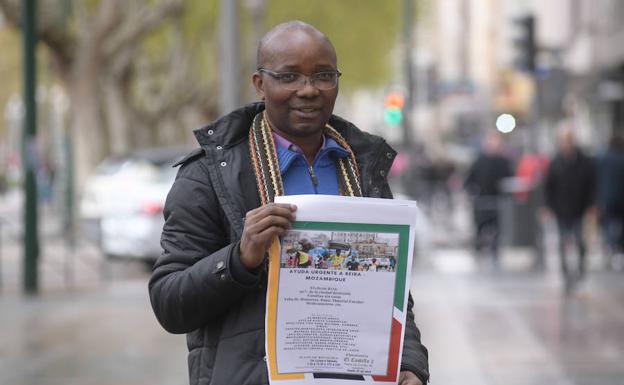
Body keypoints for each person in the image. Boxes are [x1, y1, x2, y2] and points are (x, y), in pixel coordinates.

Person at [148, 21, 429, 385]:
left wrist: (409, 363)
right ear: (260, 84)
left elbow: (390, 293)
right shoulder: (208, 175)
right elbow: (170, 305)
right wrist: (240, 258)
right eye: (289, 76)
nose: (308, 90)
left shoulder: (362, 166)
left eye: (324, 76)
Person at [544, 126, 596, 293]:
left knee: (580, 242)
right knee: (561, 243)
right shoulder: (555, 162)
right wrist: (547, 207)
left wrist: (591, 206)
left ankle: (580, 270)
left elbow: (591, 185)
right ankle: (566, 274)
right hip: (561, 209)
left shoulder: (584, 161)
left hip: (579, 209)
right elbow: (548, 187)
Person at [464, 131, 513, 265]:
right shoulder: (479, 161)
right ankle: (478, 248)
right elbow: (470, 179)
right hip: (482, 201)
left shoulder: (503, 161)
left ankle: (494, 250)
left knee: (497, 227)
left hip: (498, 200)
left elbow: (509, 178)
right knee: (480, 227)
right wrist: (471, 191)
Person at [596, 134, 624, 269]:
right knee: (619, 223)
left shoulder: (603, 159)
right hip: (620, 198)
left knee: (608, 223)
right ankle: (617, 248)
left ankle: (610, 247)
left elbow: (596, 178)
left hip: (606, 198)